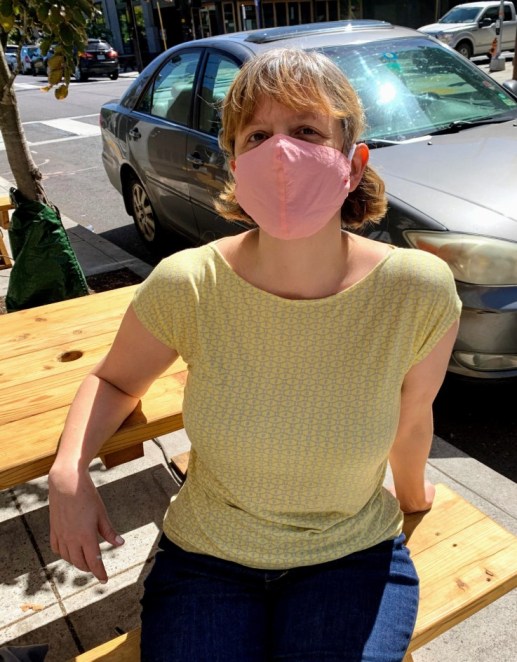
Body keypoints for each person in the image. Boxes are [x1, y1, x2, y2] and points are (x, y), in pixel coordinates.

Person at [48, 48, 461, 661]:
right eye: (258, 136)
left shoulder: (417, 290)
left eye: (307, 131)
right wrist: (68, 473)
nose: (282, 154)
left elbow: (412, 415)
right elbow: (113, 381)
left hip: (352, 555)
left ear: (353, 164)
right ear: (235, 167)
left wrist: (414, 500)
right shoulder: (189, 283)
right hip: (207, 559)